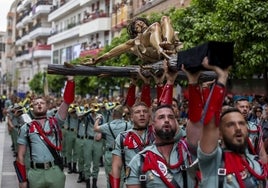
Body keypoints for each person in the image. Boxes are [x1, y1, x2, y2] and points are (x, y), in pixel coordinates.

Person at [198, 61, 267, 187]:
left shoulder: (256, 165)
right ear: (219, 133)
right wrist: (222, 78)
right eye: (230, 125)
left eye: (241, 124)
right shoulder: (212, 161)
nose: (238, 128)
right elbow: (210, 123)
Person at [14, 76, 75, 188]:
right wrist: (22, 179)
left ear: (47, 106)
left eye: (42, 103)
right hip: (35, 173)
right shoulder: (26, 128)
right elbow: (20, 155)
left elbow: (67, 102)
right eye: (36, 103)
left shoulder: (56, 122)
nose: (39, 104)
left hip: (55, 171)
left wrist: (70, 81)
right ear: (32, 108)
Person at [82, 16, 180, 65]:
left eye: (141, 22)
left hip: (167, 44)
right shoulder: (135, 40)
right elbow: (111, 53)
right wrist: (96, 60)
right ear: (135, 32)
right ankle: (161, 49)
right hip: (154, 52)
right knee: (155, 25)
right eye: (137, 26)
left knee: (165, 18)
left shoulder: (156, 28)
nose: (140, 24)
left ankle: (166, 43)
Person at [110, 102, 154, 188]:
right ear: (131, 117)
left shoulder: (158, 135)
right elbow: (116, 167)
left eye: (145, 111)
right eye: (137, 112)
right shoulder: (122, 137)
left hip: (154, 183)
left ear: (149, 116)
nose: (142, 114)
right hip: (132, 183)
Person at [94, 104, 132, 187]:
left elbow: (95, 128)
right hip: (122, 155)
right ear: (122, 114)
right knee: (121, 178)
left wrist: (98, 118)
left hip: (110, 154)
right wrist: (127, 117)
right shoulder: (127, 125)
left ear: (113, 115)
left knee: (109, 178)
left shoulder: (107, 126)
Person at [234, 97, 268, 163]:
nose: (245, 109)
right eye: (242, 107)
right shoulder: (228, 127)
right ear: (235, 109)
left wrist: (265, 169)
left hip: (251, 163)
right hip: (234, 163)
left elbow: (261, 152)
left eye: (247, 107)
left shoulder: (255, 128)